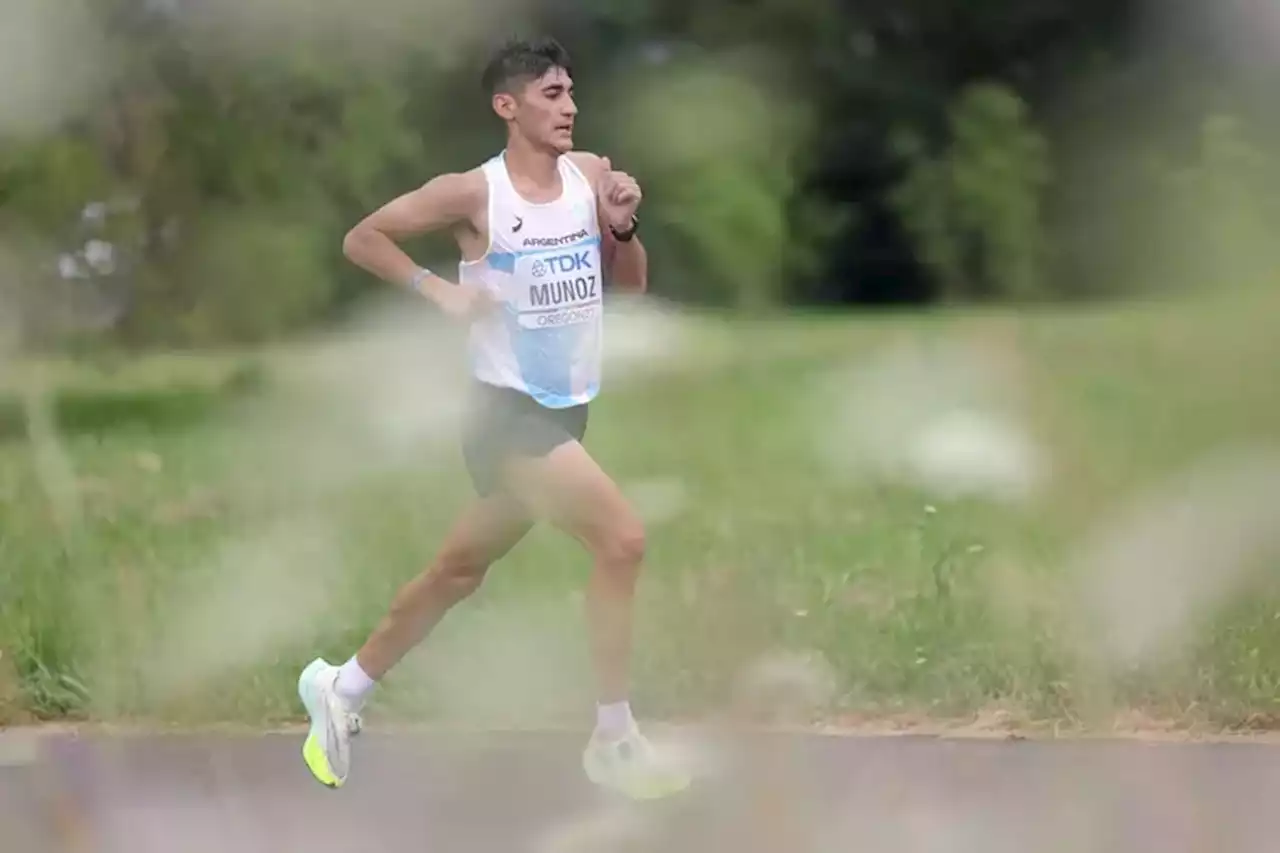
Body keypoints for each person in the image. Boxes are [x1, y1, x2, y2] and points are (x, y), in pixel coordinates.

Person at [295, 35, 690, 801]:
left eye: (571, 91)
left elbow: (630, 295)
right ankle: (615, 738)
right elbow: (362, 238)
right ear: (506, 106)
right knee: (623, 540)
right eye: (550, 94)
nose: (569, 106)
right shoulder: (471, 194)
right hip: (504, 417)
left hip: (564, 413)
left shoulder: (592, 177)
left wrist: (622, 228)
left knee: (458, 570)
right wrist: (437, 291)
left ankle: (341, 687)